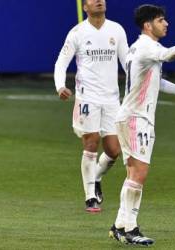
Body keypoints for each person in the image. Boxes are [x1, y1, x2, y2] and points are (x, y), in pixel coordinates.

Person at [107, 4, 175, 246]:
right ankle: (131, 229)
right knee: (139, 173)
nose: (166, 24)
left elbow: (157, 81)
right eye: (161, 20)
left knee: (133, 173)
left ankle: (119, 226)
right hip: (135, 118)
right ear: (147, 25)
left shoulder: (140, 48)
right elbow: (170, 55)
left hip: (132, 117)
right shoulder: (146, 47)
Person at [54, 0, 128, 212]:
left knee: (114, 150)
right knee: (91, 142)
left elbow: (127, 62)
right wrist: (61, 86)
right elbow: (61, 62)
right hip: (87, 98)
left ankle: (95, 177)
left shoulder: (117, 30)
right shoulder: (77, 32)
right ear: (85, 7)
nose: (99, 1)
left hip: (112, 99)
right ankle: (90, 197)